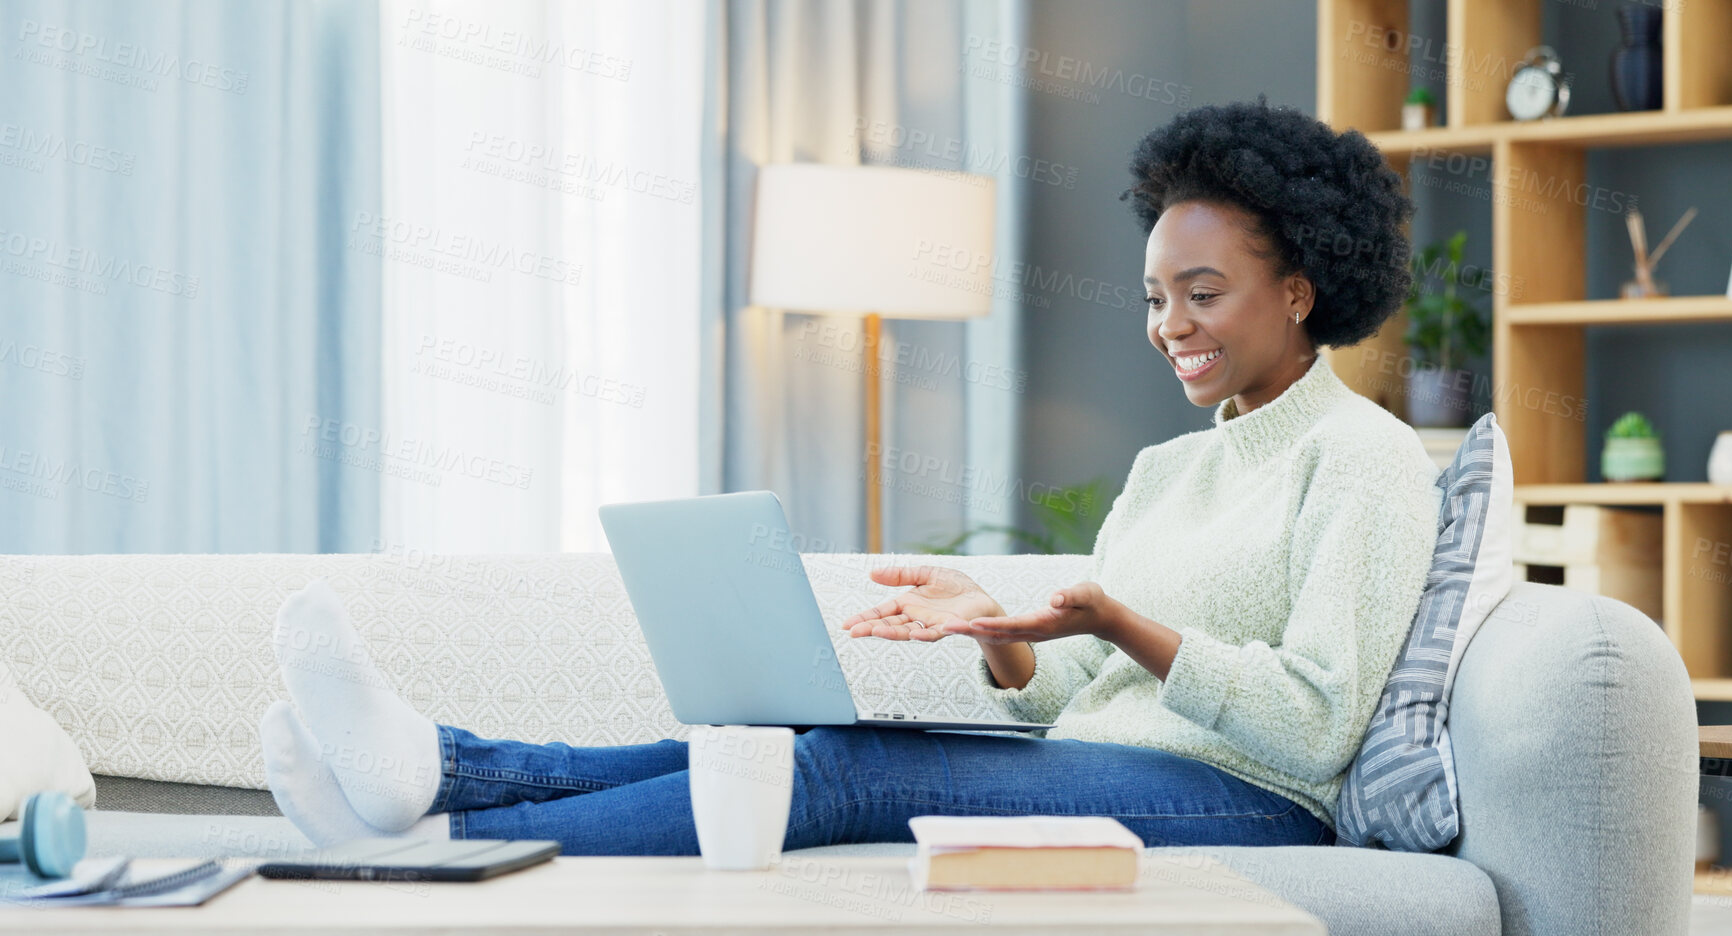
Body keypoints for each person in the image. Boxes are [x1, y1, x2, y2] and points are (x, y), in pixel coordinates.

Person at [261, 100, 1440, 854]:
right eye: (1152, 295)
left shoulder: (1365, 461)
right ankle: (437, 771)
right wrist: (998, 630)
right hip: (1125, 765)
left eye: (1202, 292)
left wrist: (1119, 619)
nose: (1168, 324)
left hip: (1250, 809)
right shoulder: (1170, 468)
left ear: (1300, 289)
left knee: (850, 769)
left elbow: (1315, 724)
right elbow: (1051, 696)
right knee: (768, 739)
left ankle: (426, 826)